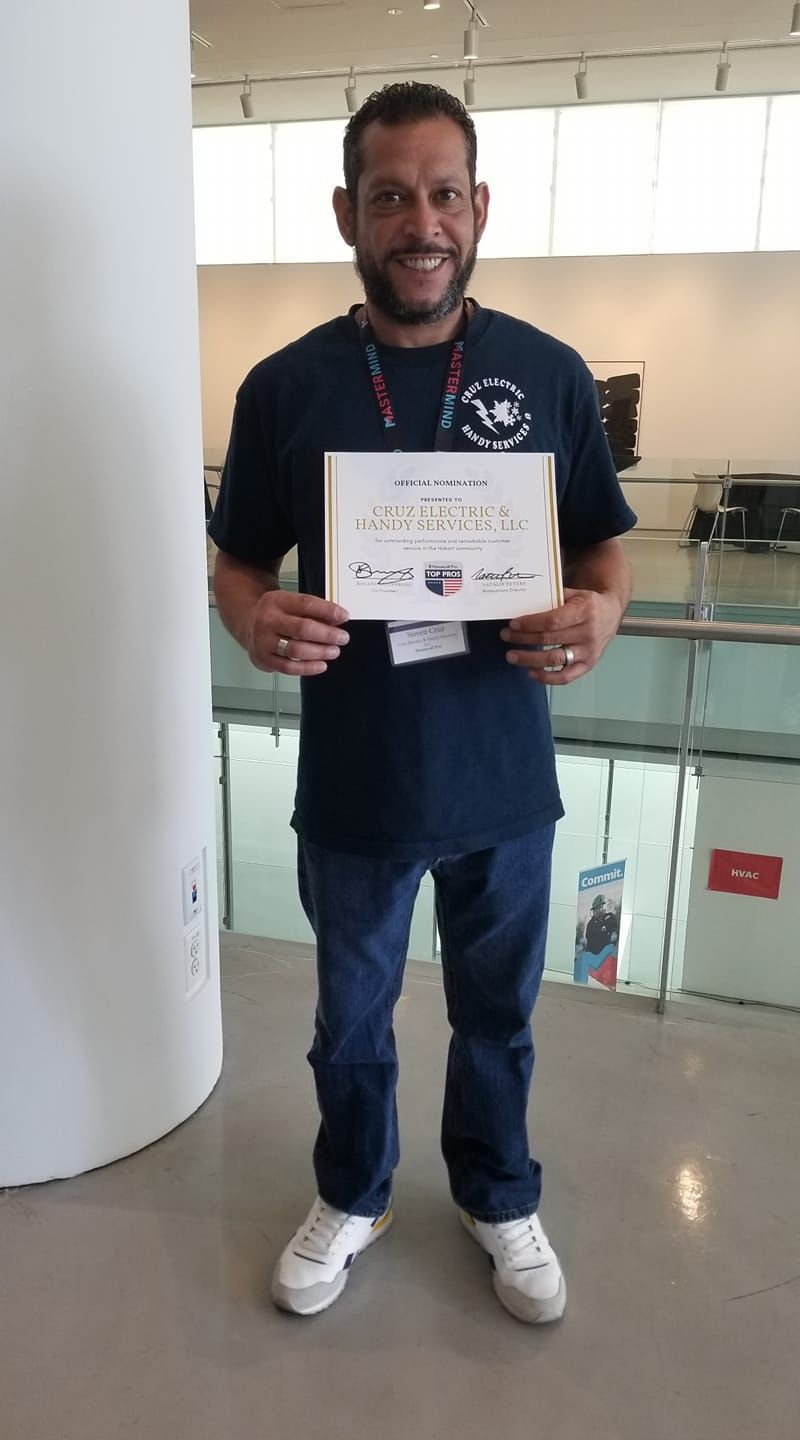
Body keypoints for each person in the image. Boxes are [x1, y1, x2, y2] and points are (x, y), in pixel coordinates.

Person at [210, 81, 636, 1325]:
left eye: (442, 193)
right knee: (350, 1024)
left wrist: (599, 614)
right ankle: (354, 1190)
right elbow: (239, 563)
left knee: (496, 1017)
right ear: (348, 210)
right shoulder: (283, 388)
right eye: (389, 196)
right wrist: (251, 616)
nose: (419, 221)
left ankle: (498, 1193)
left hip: (504, 782)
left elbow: (606, 554)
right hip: (356, 785)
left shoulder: (548, 377)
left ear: (479, 207)